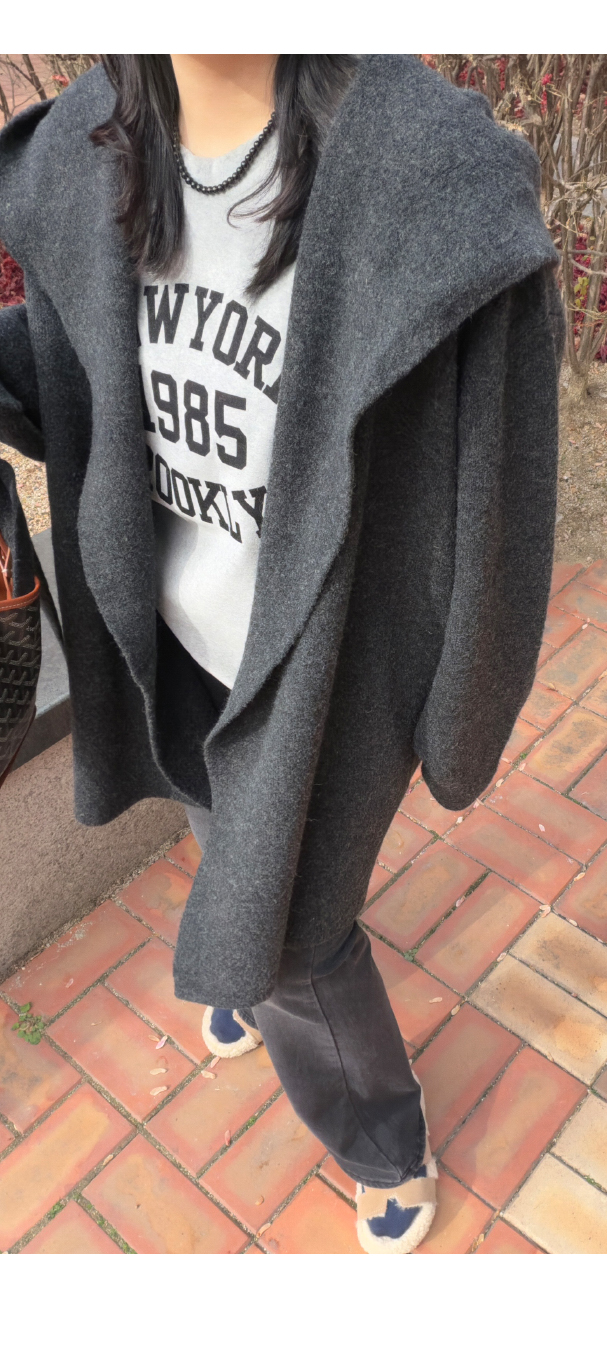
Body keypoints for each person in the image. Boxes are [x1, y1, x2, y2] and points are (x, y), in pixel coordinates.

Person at [0, 53, 564, 1253]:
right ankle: (241, 952)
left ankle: (382, 1138)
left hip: (322, 669)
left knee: (299, 936)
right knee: (226, 837)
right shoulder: (91, 147)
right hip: (169, 642)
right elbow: (83, 375)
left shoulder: (427, 178)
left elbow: (499, 504)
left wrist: (462, 713)